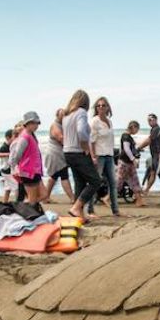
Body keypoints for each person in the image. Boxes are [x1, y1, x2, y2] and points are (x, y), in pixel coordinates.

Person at [62, 89, 101, 221]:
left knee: (80, 182)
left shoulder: (66, 115)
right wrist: (85, 146)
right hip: (78, 152)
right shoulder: (81, 112)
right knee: (95, 181)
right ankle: (76, 207)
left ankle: (79, 214)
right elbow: (80, 131)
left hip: (68, 152)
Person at [89, 96, 120, 216]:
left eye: (103, 105)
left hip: (109, 155)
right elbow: (91, 141)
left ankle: (115, 210)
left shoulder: (109, 121)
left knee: (113, 183)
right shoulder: (95, 121)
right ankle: (90, 210)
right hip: (99, 155)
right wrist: (93, 156)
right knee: (95, 182)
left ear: (107, 107)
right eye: (98, 105)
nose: (101, 107)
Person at [9, 111, 47, 204]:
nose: (36, 126)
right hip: (28, 171)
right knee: (32, 199)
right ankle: (25, 208)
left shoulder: (30, 135)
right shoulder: (24, 137)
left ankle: (24, 205)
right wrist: (14, 168)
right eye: (33, 123)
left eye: (37, 123)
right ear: (27, 124)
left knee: (44, 194)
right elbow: (17, 154)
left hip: (35, 171)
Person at [43, 108, 75, 204]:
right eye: (62, 115)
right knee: (63, 175)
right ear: (57, 116)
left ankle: (45, 197)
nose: (64, 117)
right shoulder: (55, 125)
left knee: (54, 176)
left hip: (58, 154)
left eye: (65, 115)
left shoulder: (62, 125)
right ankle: (72, 198)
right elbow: (61, 138)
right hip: (55, 154)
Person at [137, 113, 160, 196]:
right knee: (152, 172)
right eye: (148, 120)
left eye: (151, 120)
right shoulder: (153, 129)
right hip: (155, 155)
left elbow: (148, 140)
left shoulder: (156, 129)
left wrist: (138, 148)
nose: (149, 122)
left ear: (155, 120)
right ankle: (146, 190)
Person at [117, 121, 146, 207]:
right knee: (119, 182)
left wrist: (136, 153)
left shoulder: (129, 137)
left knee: (135, 181)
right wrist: (133, 159)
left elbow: (130, 149)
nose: (137, 131)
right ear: (133, 127)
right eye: (137, 129)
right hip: (124, 162)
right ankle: (107, 198)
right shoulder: (125, 136)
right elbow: (126, 149)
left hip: (129, 163)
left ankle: (139, 200)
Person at [0, 128, 18, 203]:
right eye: (14, 137)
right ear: (8, 138)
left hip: (8, 170)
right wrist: (9, 154)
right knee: (17, 187)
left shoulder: (12, 145)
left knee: (8, 189)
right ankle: (18, 203)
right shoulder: (4, 146)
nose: (16, 139)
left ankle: (5, 203)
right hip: (7, 170)